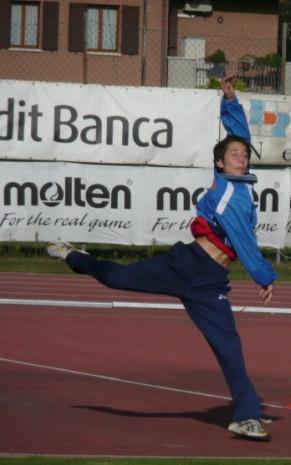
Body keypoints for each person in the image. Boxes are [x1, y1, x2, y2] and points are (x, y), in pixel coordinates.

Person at [46, 75, 277, 440]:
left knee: (230, 348)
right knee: (117, 278)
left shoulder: (243, 188)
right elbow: (244, 241)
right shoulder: (228, 193)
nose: (242, 157)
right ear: (219, 164)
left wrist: (231, 102)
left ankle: (246, 416)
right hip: (185, 264)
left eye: (245, 155)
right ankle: (77, 257)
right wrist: (264, 275)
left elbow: (239, 137)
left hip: (210, 283)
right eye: (234, 155)